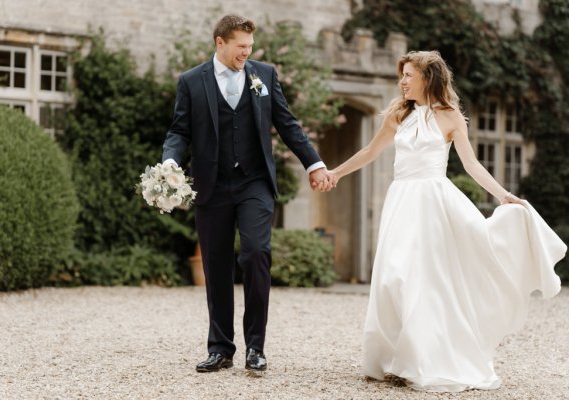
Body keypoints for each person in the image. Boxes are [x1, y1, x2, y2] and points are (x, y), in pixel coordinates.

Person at [322, 50, 566, 392]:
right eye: (402, 74)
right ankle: (392, 355)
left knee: (425, 280)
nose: (403, 81)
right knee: (394, 274)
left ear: (428, 78)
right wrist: (335, 172)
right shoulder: (397, 114)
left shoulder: (452, 117)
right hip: (402, 201)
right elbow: (369, 152)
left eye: (409, 75)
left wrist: (502, 195)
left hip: (435, 203)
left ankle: (420, 358)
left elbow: (472, 165)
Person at [162, 14, 330, 373]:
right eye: (241, 47)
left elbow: (286, 123)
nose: (246, 53)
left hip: (254, 182)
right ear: (219, 42)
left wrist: (314, 164)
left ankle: (256, 346)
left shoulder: (263, 75)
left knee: (255, 253)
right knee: (217, 266)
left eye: (250, 47)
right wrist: (171, 163)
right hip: (212, 184)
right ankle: (221, 349)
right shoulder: (191, 81)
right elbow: (179, 131)